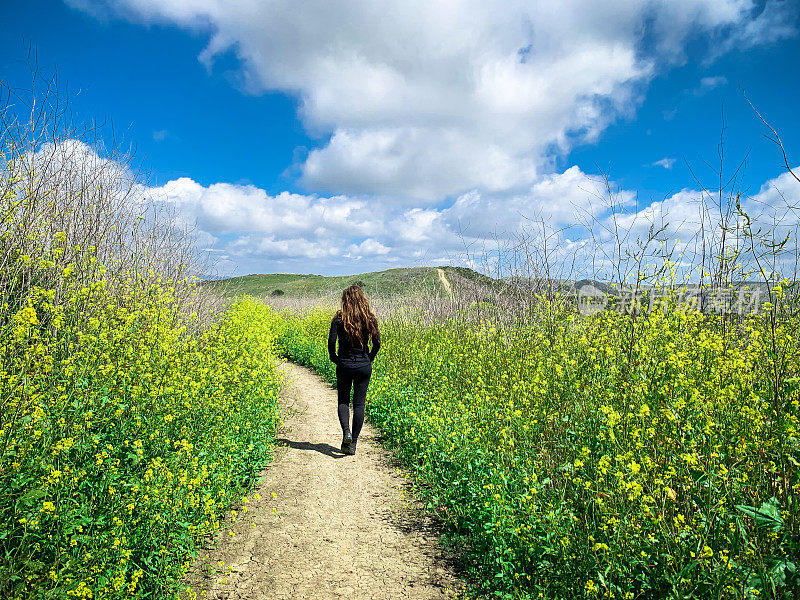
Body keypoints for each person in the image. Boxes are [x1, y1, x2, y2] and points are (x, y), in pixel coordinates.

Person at [328, 284, 381, 456]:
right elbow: (377, 343)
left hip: (344, 365)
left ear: (345, 301)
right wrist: (369, 357)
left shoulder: (338, 319)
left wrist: (334, 357)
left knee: (343, 401)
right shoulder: (369, 318)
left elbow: (331, 342)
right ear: (362, 299)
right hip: (363, 366)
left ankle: (346, 433)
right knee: (359, 404)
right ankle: (353, 444)